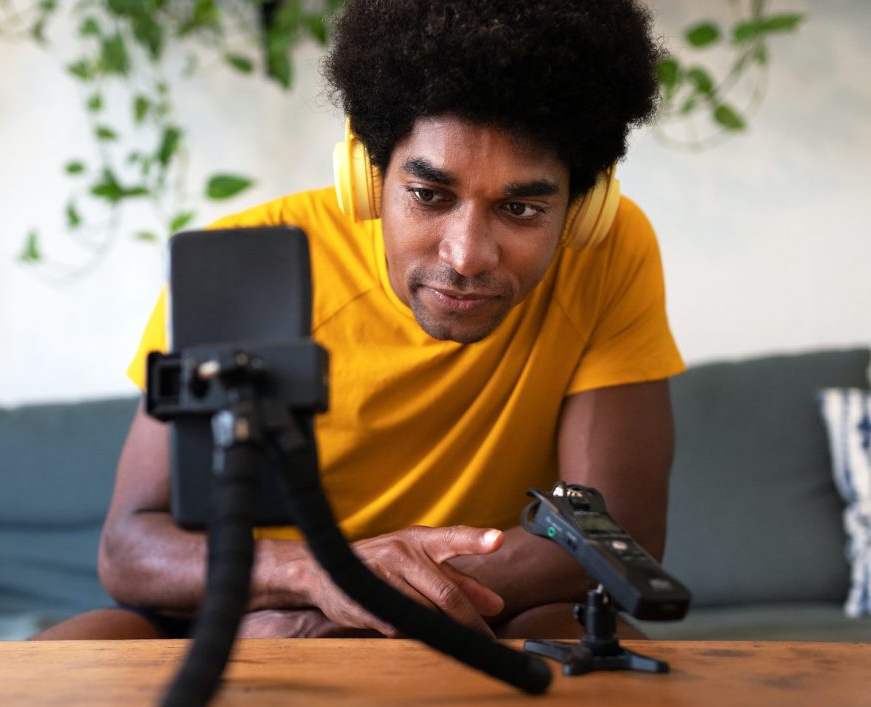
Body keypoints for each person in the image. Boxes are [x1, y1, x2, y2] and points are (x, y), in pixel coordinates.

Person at [38, 0, 684, 641]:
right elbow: (129, 549)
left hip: (488, 612)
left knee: (574, 639)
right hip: (256, 609)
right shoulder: (242, 260)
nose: (466, 256)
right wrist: (309, 577)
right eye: (429, 195)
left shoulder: (608, 251)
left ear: (583, 209)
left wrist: (368, 593)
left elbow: (618, 535)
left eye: (521, 209)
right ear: (367, 175)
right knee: (83, 648)